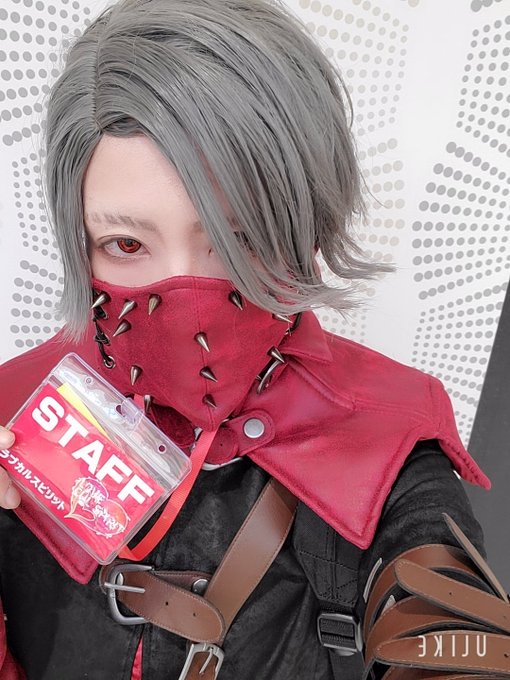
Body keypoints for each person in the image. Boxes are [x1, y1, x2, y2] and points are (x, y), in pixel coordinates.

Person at [0, 1, 507, 678]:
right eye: (126, 244)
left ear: (305, 226)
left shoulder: (387, 437)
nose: (188, 299)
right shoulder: (13, 412)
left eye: (237, 240)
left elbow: (447, 619)